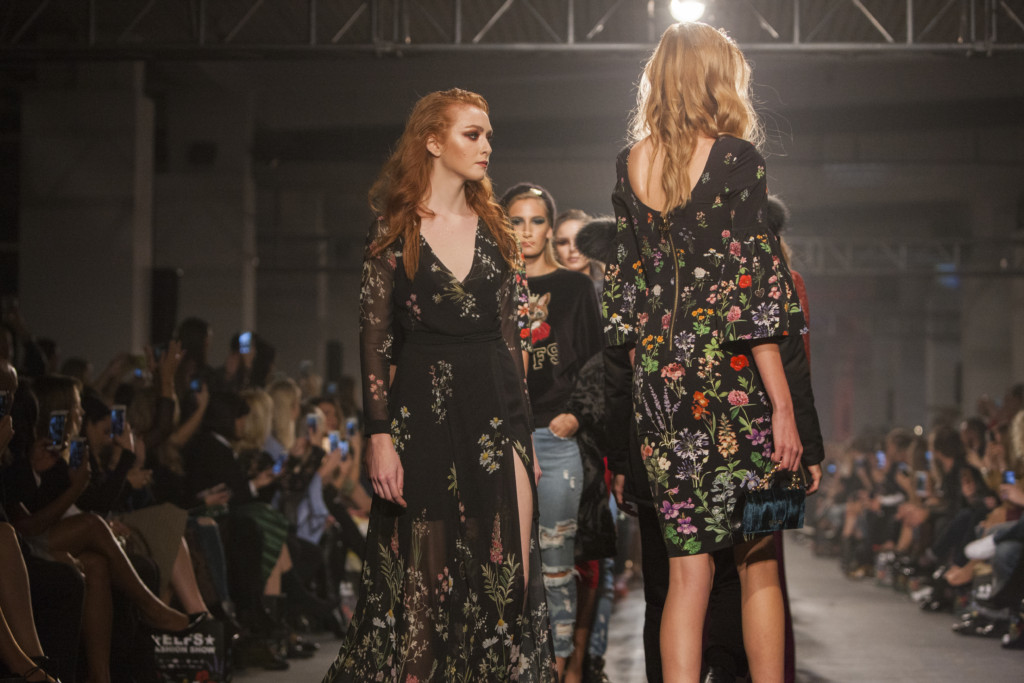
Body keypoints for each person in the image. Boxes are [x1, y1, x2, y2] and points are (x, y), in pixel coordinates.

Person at [322, 88, 556, 682]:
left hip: (497, 414)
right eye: (472, 134)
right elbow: (374, 341)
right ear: (432, 141)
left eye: (488, 135)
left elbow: (512, 342)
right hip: (420, 417)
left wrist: (525, 436)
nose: (486, 145)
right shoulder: (393, 230)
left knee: (507, 584)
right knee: (423, 593)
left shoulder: (498, 230)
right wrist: (378, 435)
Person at [602, 22, 807, 683]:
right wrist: (783, 408)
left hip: (662, 392)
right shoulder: (737, 158)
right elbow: (753, 295)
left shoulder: (630, 164)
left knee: (685, 575)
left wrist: (650, 388)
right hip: (736, 385)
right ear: (717, 77)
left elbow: (623, 300)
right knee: (758, 562)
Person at [500, 183, 603, 681]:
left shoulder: (574, 289)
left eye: (536, 220)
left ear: (550, 225)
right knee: (508, 565)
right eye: (515, 221)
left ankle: (559, 668)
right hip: (504, 440)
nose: (526, 232)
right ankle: (516, 667)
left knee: (558, 563)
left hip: (556, 439)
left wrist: (577, 415)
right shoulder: (493, 287)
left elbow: (597, 359)